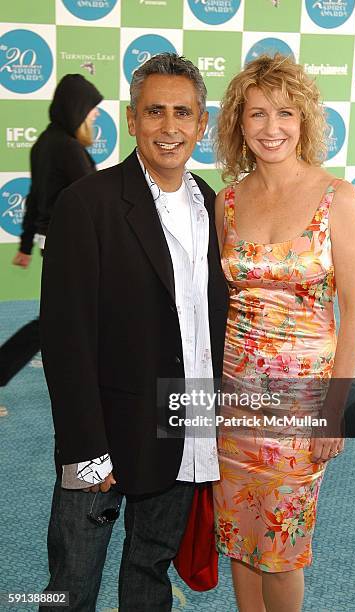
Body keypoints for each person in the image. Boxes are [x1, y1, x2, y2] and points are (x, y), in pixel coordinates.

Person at [39, 53, 228, 611]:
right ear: (130, 118)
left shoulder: (213, 207)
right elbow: (66, 341)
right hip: (104, 432)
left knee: (149, 570)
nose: (169, 127)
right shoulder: (87, 205)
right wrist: (88, 452)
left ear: (201, 124)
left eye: (182, 113)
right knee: (69, 586)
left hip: (180, 425)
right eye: (154, 112)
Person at [212, 54, 355, 612]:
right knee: (238, 537)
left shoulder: (339, 199)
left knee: (282, 547)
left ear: (304, 120)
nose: (271, 128)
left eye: (284, 113)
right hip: (233, 400)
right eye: (256, 114)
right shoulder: (225, 203)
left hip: (302, 406)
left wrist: (335, 408)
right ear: (239, 122)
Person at [0, 74, 102, 389]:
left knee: (67, 319)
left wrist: (27, 244)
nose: (96, 114)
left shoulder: (45, 142)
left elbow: (35, 198)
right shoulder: (68, 148)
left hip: (56, 243)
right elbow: (94, 202)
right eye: (91, 109)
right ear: (76, 109)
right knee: (56, 321)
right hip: (72, 247)